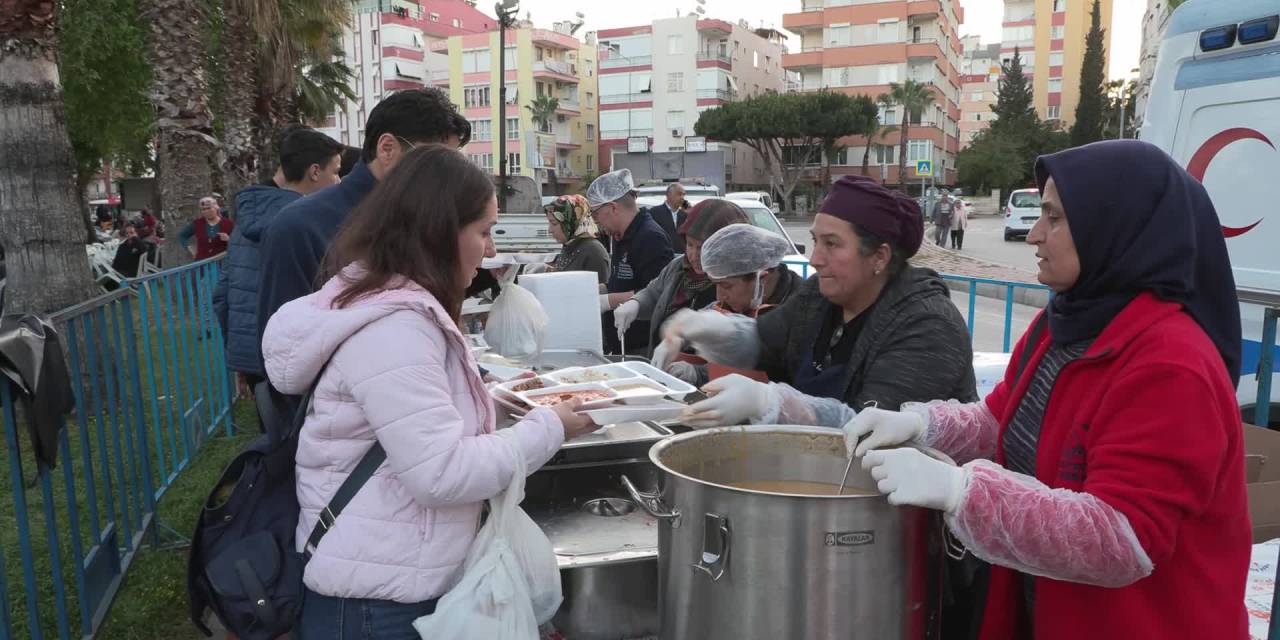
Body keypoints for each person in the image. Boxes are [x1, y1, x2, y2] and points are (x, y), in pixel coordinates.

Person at [848, 140, 1249, 640]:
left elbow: (1121, 539)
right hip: (1047, 611)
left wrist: (961, 493)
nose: (1035, 234)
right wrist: (920, 423)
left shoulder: (1171, 364)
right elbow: (999, 420)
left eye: (1055, 218)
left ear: (1114, 227)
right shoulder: (1064, 324)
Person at [261, 145, 599, 639]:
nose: (489, 249)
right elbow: (440, 472)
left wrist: (496, 403)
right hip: (375, 604)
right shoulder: (396, 328)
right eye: (483, 232)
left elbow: (411, 425)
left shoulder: (387, 304)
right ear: (438, 233)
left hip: (385, 577)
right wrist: (549, 426)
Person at [660, 174, 976, 429]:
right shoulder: (820, 297)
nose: (815, 259)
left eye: (832, 244)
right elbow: (764, 340)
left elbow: (868, 430)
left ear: (879, 256)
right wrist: (706, 330)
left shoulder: (928, 325)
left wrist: (770, 403)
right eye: (815, 241)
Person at [257, 88, 470, 368]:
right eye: (434, 163)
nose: (444, 179)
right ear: (387, 148)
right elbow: (282, 351)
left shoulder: (420, 221)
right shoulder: (301, 226)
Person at [213, 127, 343, 397]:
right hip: (303, 356)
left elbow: (224, 292)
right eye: (335, 171)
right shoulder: (310, 224)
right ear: (315, 172)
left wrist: (240, 357)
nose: (339, 181)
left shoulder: (244, 223)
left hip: (255, 356)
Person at [664, 223, 802, 386]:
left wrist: (702, 374)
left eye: (726, 286)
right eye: (716, 284)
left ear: (761, 279)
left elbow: (778, 370)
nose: (720, 295)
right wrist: (682, 338)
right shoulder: (731, 304)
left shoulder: (799, 311)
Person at [612, 199, 749, 357]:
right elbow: (654, 292)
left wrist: (694, 372)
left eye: (703, 247)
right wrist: (635, 304)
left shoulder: (735, 285)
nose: (694, 255)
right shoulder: (679, 267)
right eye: (690, 245)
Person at [587, 168, 674, 353]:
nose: (596, 222)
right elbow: (621, 282)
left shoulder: (650, 237)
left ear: (612, 208)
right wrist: (588, 289)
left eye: (595, 214)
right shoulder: (620, 236)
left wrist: (607, 301)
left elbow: (659, 292)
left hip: (642, 345)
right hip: (621, 342)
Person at [543, 194, 610, 284]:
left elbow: (597, 292)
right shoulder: (570, 245)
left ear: (572, 222)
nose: (550, 230)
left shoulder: (593, 251)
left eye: (554, 223)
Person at [647, 183, 686, 252]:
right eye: (679, 194)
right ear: (668, 195)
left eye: (684, 194)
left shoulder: (685, 215)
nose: (682, 197)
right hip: (661, 256)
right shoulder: (654, 212)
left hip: (682, 258)